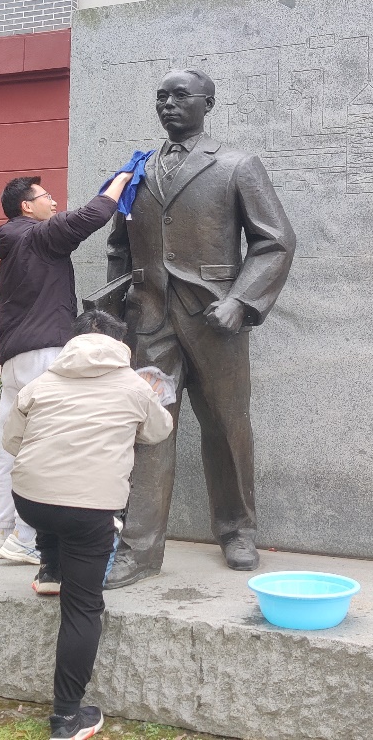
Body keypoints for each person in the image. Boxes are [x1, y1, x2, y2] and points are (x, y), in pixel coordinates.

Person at [104, 68, 295, 588]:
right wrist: (116, 314)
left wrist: (242, 301)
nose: (167, 104)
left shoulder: (236, 165)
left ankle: (238, 530)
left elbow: (275, 240)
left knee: (227, 427)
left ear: (207, 103)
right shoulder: (138, 170)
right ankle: (138, 549)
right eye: (160, 96)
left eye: (179, 95)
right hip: (149, 322)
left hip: (216, 322)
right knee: (148, 429)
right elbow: (120, 247)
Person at [2, 310, 172, 740]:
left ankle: (50, 570)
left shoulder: (41, 383)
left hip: (31, 502)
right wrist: (150, 402)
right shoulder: (135, 386)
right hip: (89, 510)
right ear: (120, 343)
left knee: (52, 500)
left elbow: (12, 441)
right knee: (82, 608)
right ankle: (66, 717)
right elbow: (159, 432)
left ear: (72, 341)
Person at [0, 172, 132, 564]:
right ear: (26, 206)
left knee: (12, 447)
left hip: (15, 358)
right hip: (44, 353)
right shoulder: (37, 236)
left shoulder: (11, 242)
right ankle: (26, 540)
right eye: (46, 197)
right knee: (46, 446)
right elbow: (92, 216)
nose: (53, 202)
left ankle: (4, 533)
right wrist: (121, 179)